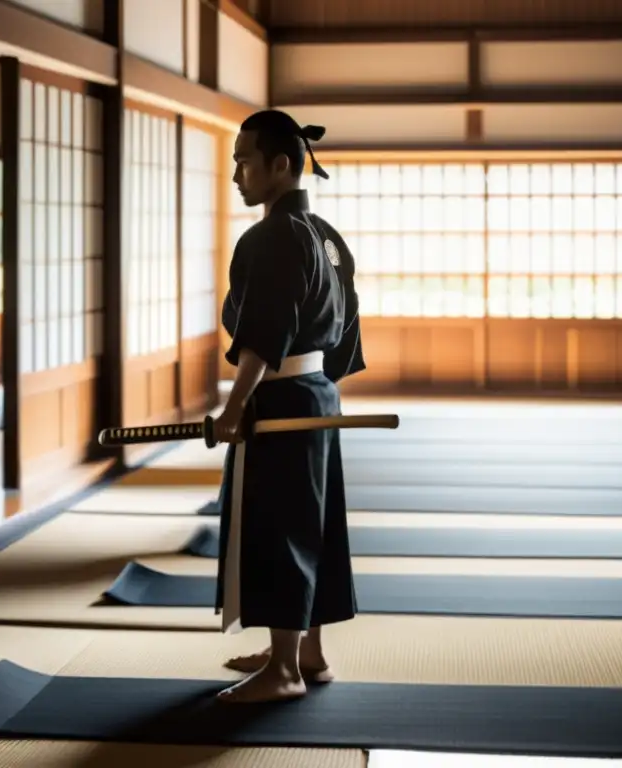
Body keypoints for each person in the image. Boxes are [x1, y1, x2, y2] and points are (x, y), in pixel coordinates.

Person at [209, 109, 365, 704]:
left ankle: (283, 669)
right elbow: (347, 326)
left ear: (280, 165)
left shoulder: (272, 236)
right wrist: (326, 384)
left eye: (244, 161)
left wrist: (233, 407)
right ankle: (307, 650)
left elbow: (263, 336)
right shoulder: (324, 234)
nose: (236, 175)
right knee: (313, 522)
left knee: (279, 526)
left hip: (279, 399)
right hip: (317, 395)